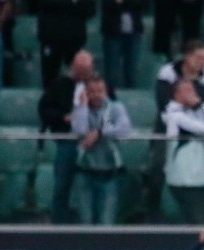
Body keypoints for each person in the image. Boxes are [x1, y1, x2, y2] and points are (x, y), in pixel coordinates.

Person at [148, 39, 204, 222]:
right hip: (166, 128)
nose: (202, 62)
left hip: (195, 133)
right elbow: (164, 102)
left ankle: (199, 214)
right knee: (157, 167)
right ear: (187, 56)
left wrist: (188, 105)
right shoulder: (167, 72)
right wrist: (182, 108)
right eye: (198, 57)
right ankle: (152, 210)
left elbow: (200, 104)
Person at [38, 49, 95, 224]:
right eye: (79, 68)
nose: (83, 73)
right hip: (67, 141)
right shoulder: (60, 84)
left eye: (86, 69)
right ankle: (59, 226)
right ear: (73, 67)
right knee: (62, 186)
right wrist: (62, 117)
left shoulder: (99, 86)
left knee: (92, 186)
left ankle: (93, 228)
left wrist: (100, 130)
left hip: (94, 143)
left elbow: (109, 112)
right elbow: (44, 110)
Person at [71, 73, 132, 225]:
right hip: (85, 172)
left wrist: (99, 133)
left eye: (100, 91)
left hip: (109, 174)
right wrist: (83, 105)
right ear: (85, 92)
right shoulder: (80, 109)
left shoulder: (116, 108)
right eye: (92, 91)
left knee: (106, 222)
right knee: (86, 221)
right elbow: (80, 130)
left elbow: (125, 129)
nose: (97, 95)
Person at [162, 79, 204, 224]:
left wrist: (201, 107)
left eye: (193, 91)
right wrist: (201, 105)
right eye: (186, 91)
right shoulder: (174, 115)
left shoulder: (196, 112)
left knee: (201, 215)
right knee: (194, 217)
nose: (192, 95)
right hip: (184, 177)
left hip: (199, 175)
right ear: (176, 95)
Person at [36, 0, 96, 88]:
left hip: (75, 39)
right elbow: (42, 4)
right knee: (49, 79)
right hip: (50, 38)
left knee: (79, 81)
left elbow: (90, 9)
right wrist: (72, 3)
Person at [101, 0, 148, 89]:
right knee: (112, 71)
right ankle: (110, 97)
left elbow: (143, 4)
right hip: (112, 34)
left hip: (134, 34)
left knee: (131, 70)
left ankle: (131, 97)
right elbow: (107, 5)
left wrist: (123, 3)